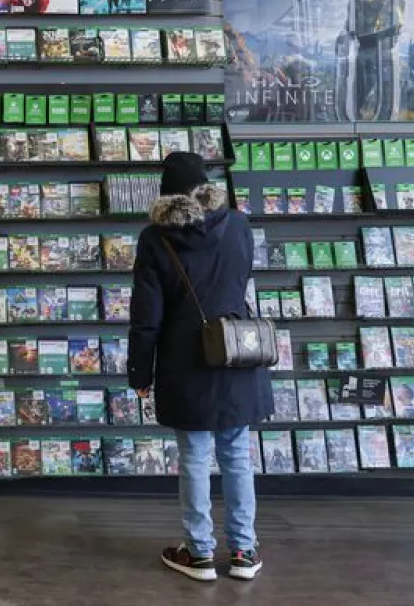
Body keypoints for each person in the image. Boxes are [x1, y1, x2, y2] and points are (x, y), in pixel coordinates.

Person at [128, 152, 270, 583]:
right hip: (233, 353)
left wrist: (140, 374)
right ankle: (244, 551)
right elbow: (241, 280)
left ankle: (199, 552)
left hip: (183, 360)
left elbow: (146, 317)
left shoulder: (157, 239)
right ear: (205, 185)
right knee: (237, 454)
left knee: (193, 456)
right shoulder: (240, 226)